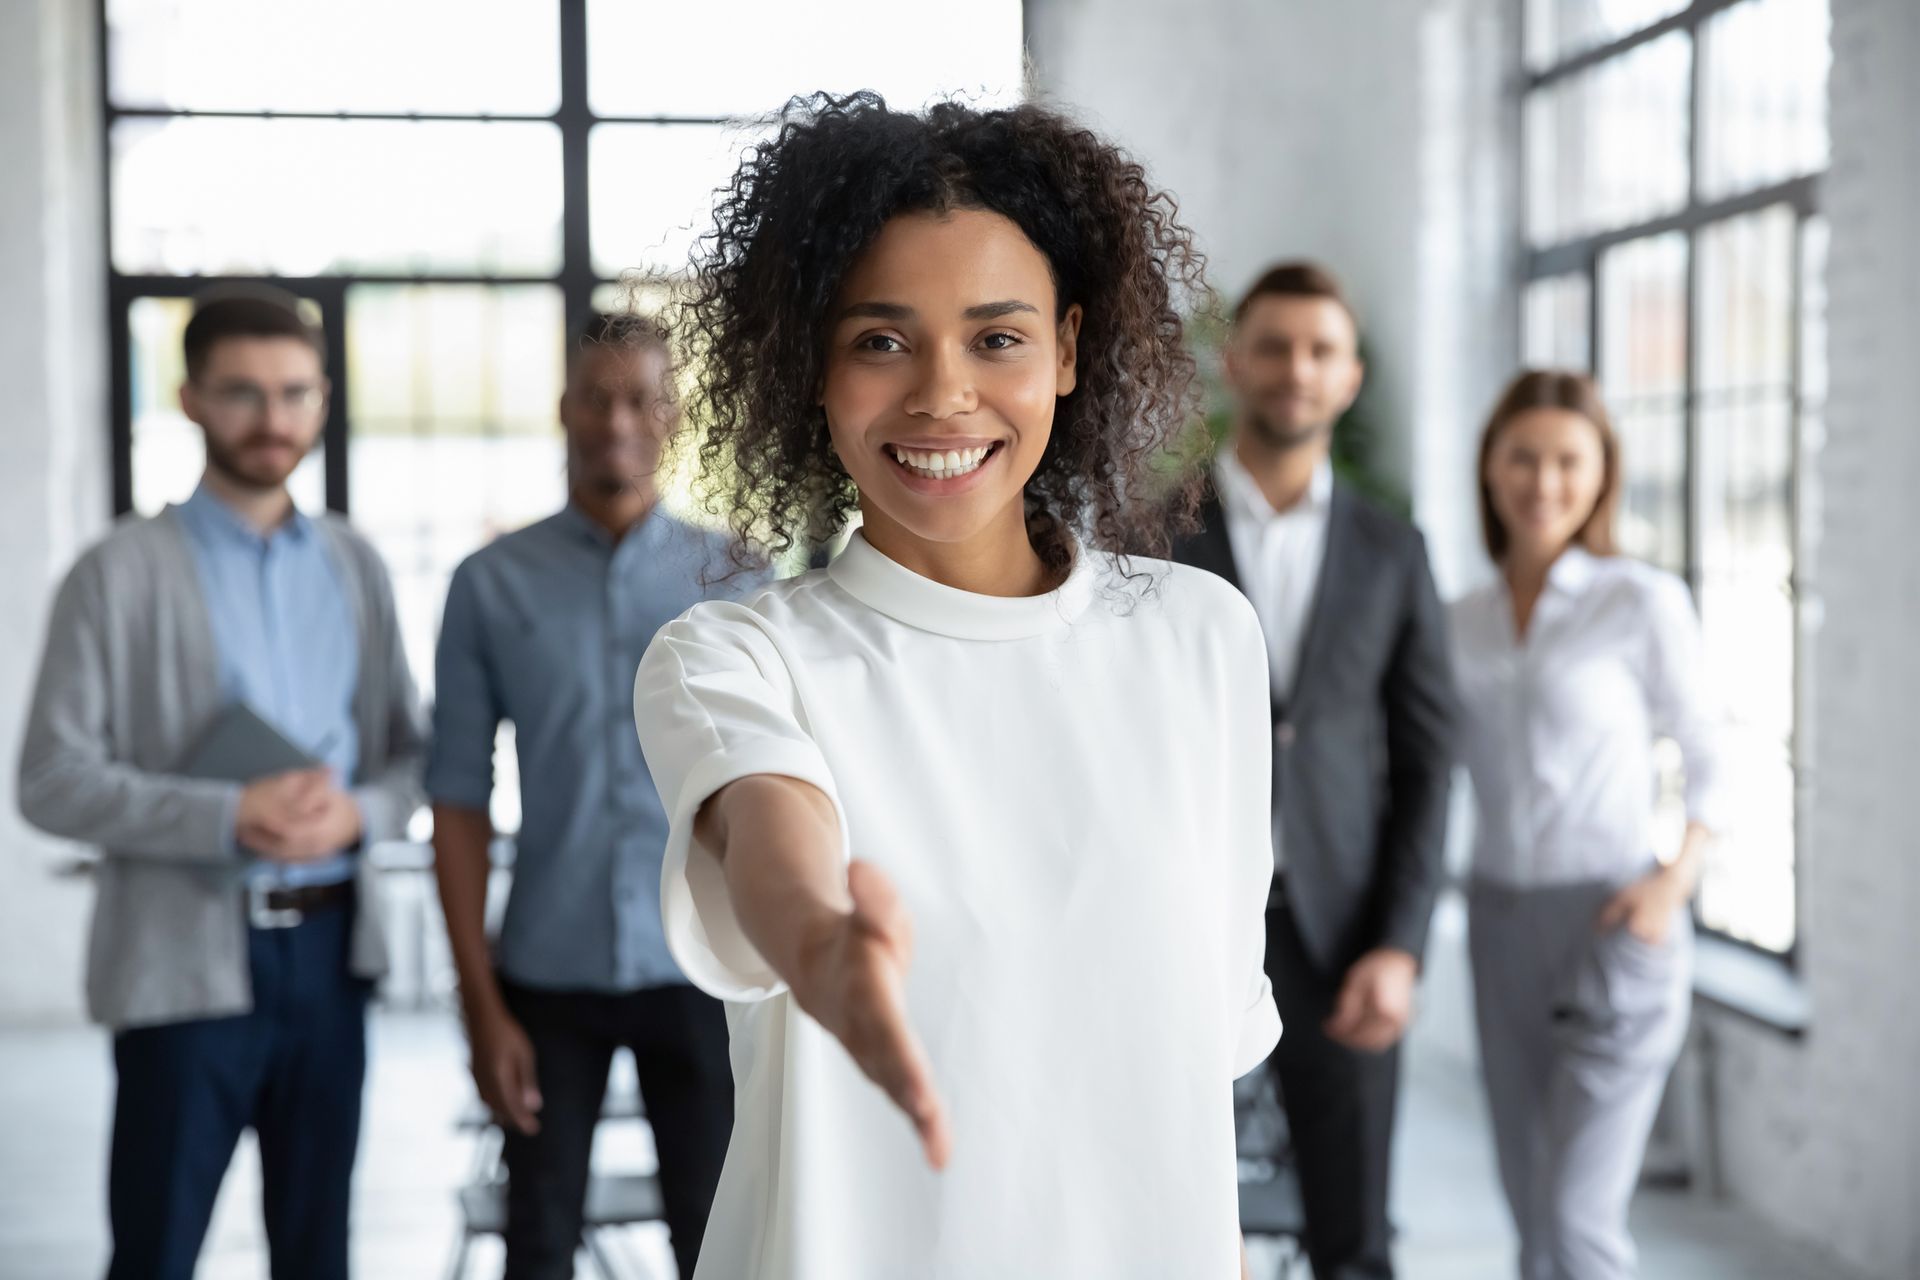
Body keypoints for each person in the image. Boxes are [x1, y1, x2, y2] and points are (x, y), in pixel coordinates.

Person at [628, 92, 1280, 1279]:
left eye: (997, 337)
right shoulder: (739, 657)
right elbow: (772, 828)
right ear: (811, 367)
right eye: (881, 339)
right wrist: (819, 940)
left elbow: (1194, 1082)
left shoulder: (1203, 640)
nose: (941, 393)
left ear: (1070, 349)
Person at [16, 289, 424, 1280]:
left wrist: (357, 811)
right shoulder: (116, 572)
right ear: (190, 396)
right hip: (183, 963)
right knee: (157, 1249)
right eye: (242, 392)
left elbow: (410, 760)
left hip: (331, 957)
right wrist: (226, 812)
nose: (271, 419)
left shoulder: (355, 564)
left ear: (323, 400)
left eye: (293, 393)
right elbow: (50, 779)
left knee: (318, 1252)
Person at [427, 313, 745, 1279]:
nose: (619, 420)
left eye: (643, 397)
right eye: (598, 397)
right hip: (546, 975)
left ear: (674, 416)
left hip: (700, 969)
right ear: (566, 412)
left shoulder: (733, 579)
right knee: (539, 1241)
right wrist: (480, 1007)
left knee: (720, 1233)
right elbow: (456, 798)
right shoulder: (490, 585)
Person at [1171, 261, 1457, 1279]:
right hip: (1189, 925)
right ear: (1235, 363)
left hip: (1346, 935)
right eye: (1277, 345)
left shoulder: (1394, 550)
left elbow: (1430, 760)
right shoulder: (1154, 535)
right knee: (1174, 1219)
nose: (1298, 367)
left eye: (1321, 349)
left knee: (1355, 1236)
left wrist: (1402, 944)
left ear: (1350, 376)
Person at [1449, 370, 1727, 1280]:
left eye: (1569, 460)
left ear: (1602, 472)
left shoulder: (1638, 601)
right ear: (1490, 468)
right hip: (1499, 924)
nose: (1544, 481)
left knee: (1577, 1219)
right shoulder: (1461, 621)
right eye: (1522, 457)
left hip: (1616, 918)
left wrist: (1670, 884)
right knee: (1531, 1210)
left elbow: (1712, 757)